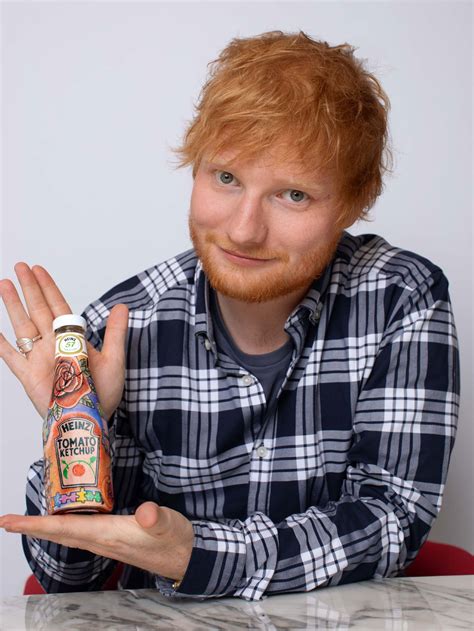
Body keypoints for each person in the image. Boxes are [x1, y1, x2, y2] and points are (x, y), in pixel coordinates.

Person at [0, 31, 460, 601]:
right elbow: (67, 580)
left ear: (355, 200)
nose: (243, 230)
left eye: (292, 195)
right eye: (225, 178)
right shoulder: (116, 329)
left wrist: (198, 557)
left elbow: (390, 520)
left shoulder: (401, 298)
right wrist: (76, 424)